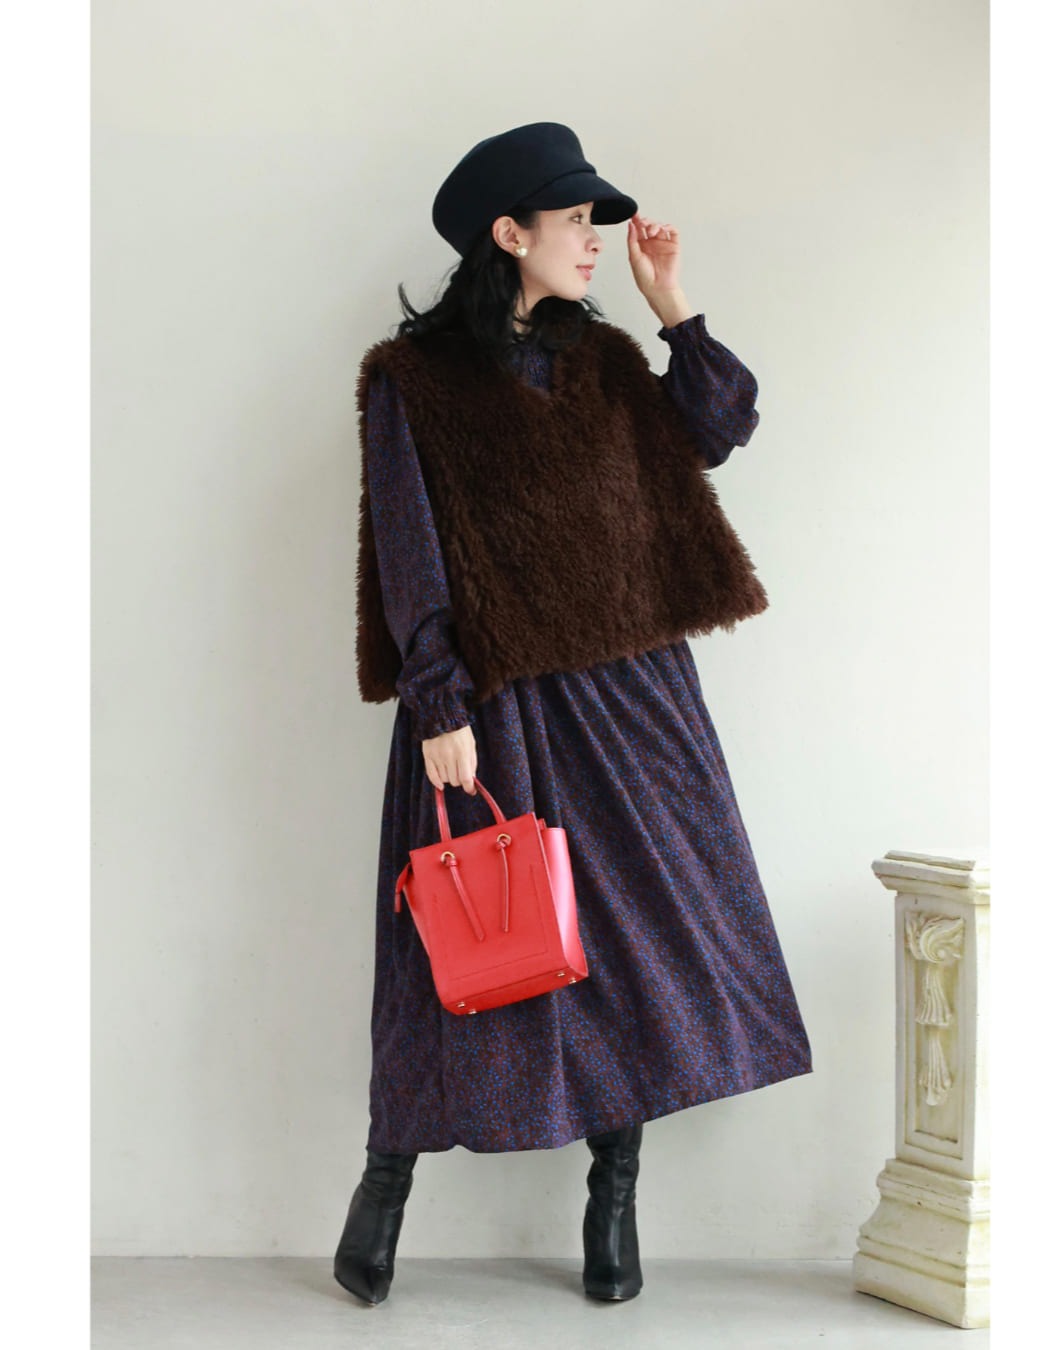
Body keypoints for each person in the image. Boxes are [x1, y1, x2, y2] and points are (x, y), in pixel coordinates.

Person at [333, 122, 813, 1308]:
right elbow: (410, 549)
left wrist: (672, 303)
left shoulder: (601, 359)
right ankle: (386, 1181)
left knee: (637, 948)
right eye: (575, 222)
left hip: (636, 695)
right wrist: (437, 702)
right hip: (493, 702)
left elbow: (718, 426)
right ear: (510, 234)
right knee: (464, 953)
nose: (596, 240)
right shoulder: (412, 381)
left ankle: (615, 1193)